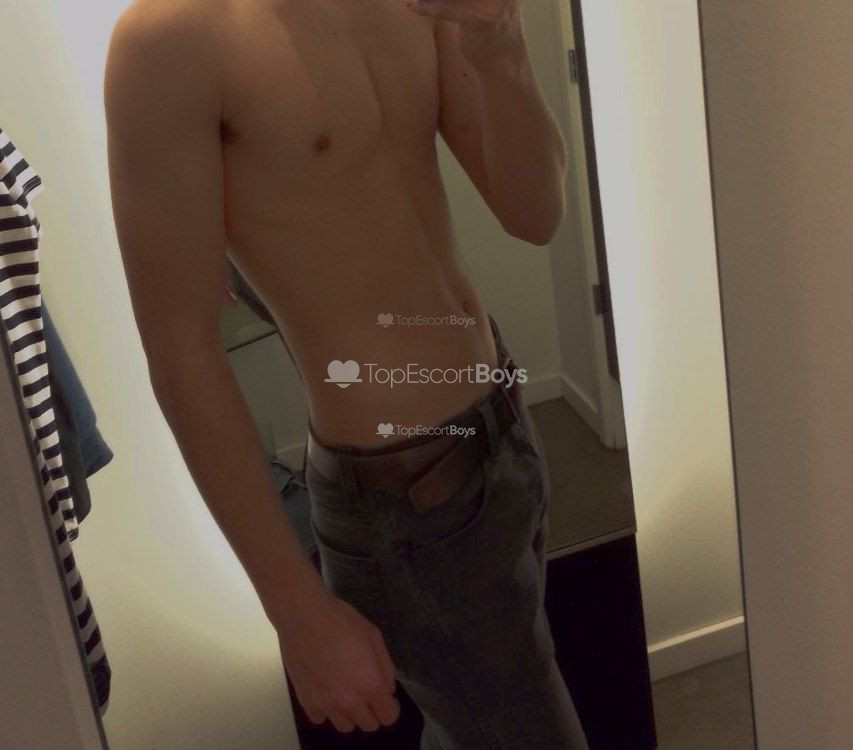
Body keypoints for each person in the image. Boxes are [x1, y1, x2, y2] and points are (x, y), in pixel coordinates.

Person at [105, 0, 588, 747]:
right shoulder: (171, 38)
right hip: (407, 507)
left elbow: (536, 214)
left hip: (503, 433)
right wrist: (296, 613)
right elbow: (180, 349)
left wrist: (501, 45)